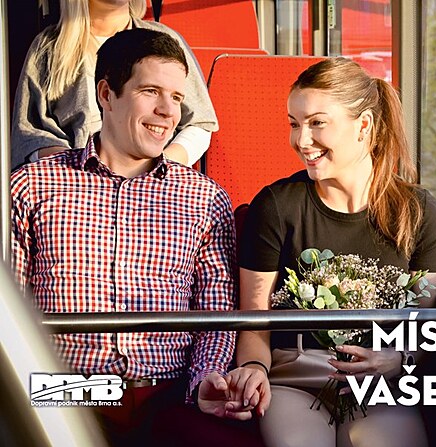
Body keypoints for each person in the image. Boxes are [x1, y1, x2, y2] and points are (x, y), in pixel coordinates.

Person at [11, 27, 262, 447]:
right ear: (106, 94)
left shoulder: (205, 199)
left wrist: (205, 380)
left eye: (177, 97)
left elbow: (216, 316)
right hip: (63, 395)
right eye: (150, 92)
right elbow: (12, 317)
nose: (167, 111)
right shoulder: (31, 187)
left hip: (170, 395)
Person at [226, 57, 436, 446]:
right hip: (295, 378)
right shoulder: (277, 206)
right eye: (294, 124)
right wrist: (255, 368)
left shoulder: (420, 213)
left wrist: (396, 360)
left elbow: (422, 327)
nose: (301, 140)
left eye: (317, 123)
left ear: (363, 126)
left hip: (379, 381)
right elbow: (254, 323)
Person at [10, 0, 217, 170]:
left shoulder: (165, 41)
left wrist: (158, 168)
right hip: (78, 191)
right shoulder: (50, 47)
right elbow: (29, 134)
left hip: (153, 192)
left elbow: (200, 123)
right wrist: (77, 173)